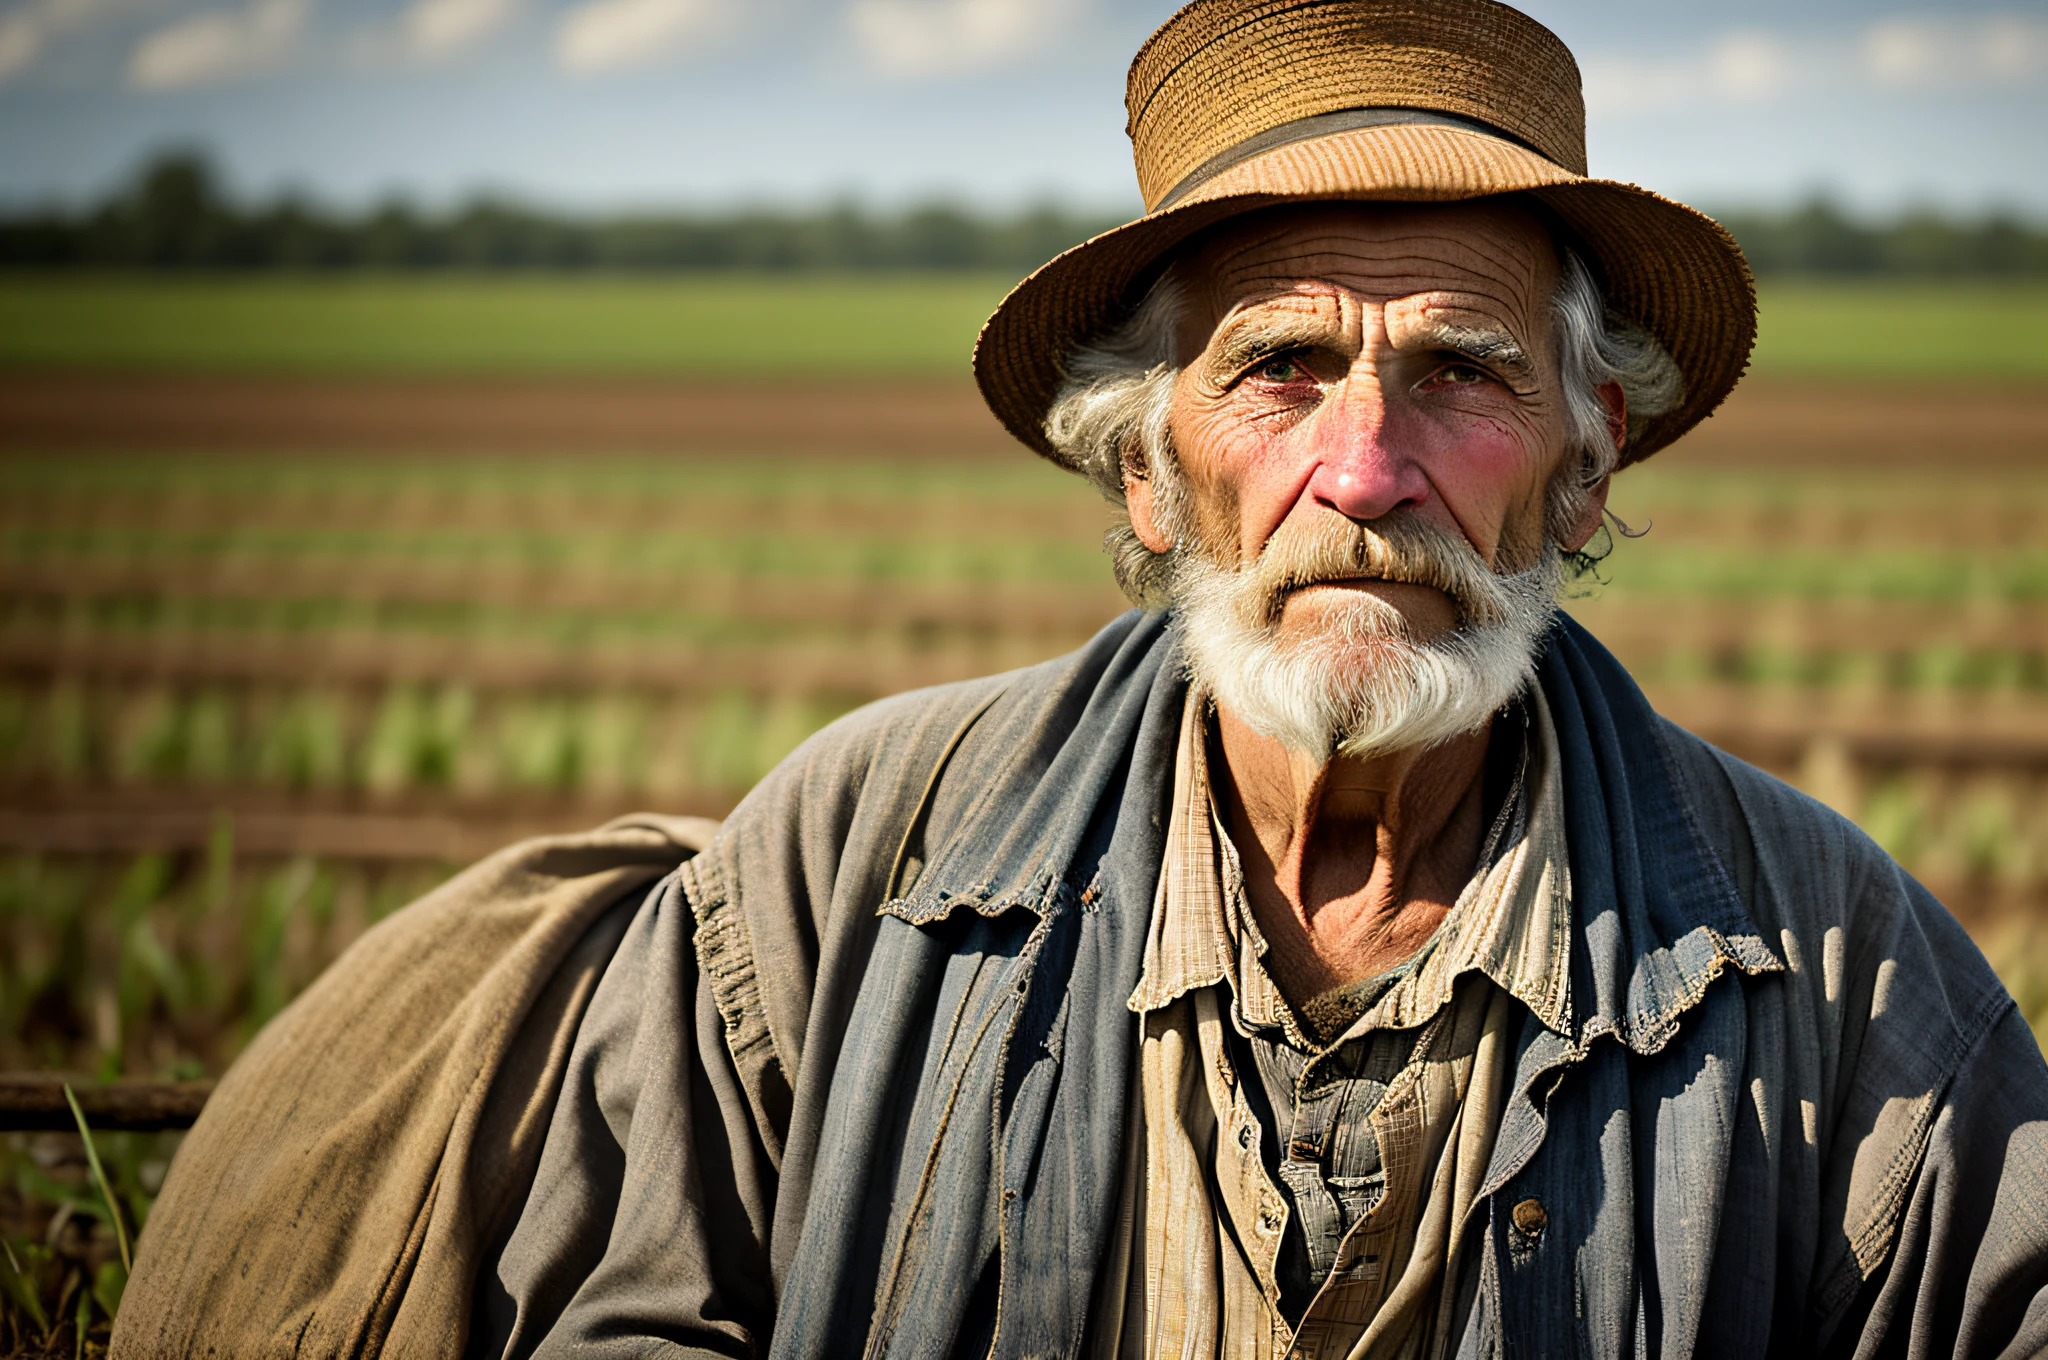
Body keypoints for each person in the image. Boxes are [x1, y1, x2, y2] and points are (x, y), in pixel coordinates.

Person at [116, 1, 2048, 1356]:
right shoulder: (852, 863)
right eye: (1281, 368)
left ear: (1589, 459)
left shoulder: (1832, 962)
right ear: (1145, 467)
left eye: (1462, 371)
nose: (1364, 472)